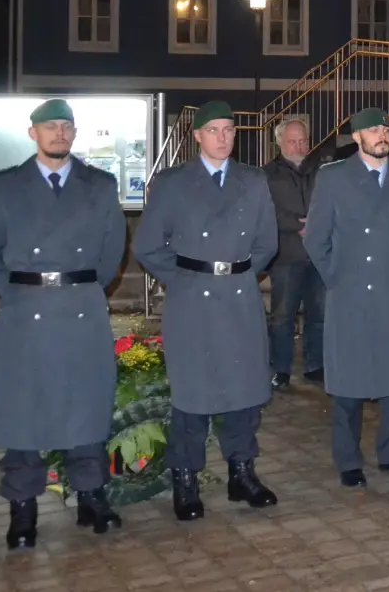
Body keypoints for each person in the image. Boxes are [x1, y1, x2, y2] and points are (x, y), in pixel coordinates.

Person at [0, 99, 127, 548]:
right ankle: (23, 507)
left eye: (66, 126)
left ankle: (91, 496)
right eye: (50, 127)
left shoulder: (99, 185)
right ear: (32, 133)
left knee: (86, 404)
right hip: (26, 308)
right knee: (23, 409)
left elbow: (111, 252)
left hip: (81, 306)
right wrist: (22, 292)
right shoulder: (3, 187)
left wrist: (80, 289)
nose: (59, 133)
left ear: (75, 133)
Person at [132, 101, 280, 520]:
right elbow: (147, 246)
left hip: (238, 297)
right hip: (191, 300)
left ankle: (241, 471)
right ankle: (186, 478)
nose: (223, 138)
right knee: (192, 393)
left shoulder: (253, 181)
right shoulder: (173, 183)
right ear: (196, 135)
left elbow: (267, 243)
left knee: (244, 389)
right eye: (213, 130)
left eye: (229, 130)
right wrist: (184, 280)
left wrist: (243, 278)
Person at [304, 108, 389, 486]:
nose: (382, 134)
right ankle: (348, 460)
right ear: (356, 138)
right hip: (351, 291)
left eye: (385, 129)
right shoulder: (334, 178)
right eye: (372, 129)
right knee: (348, 381)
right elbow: (315, 238)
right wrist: (338, 277)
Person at [265, 115, 325, 389]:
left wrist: (316, 224)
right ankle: (281, 369)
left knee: (319, 314)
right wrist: (296, 226)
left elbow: (332, 203)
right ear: (279, 143)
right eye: (292, 141)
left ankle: (315, 365)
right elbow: (266, 212)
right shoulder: (267, 175)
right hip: (286, 255)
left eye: (303, 141)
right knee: (282, 317)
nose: (299, 147)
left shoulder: (322, 170)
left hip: (318, 255)